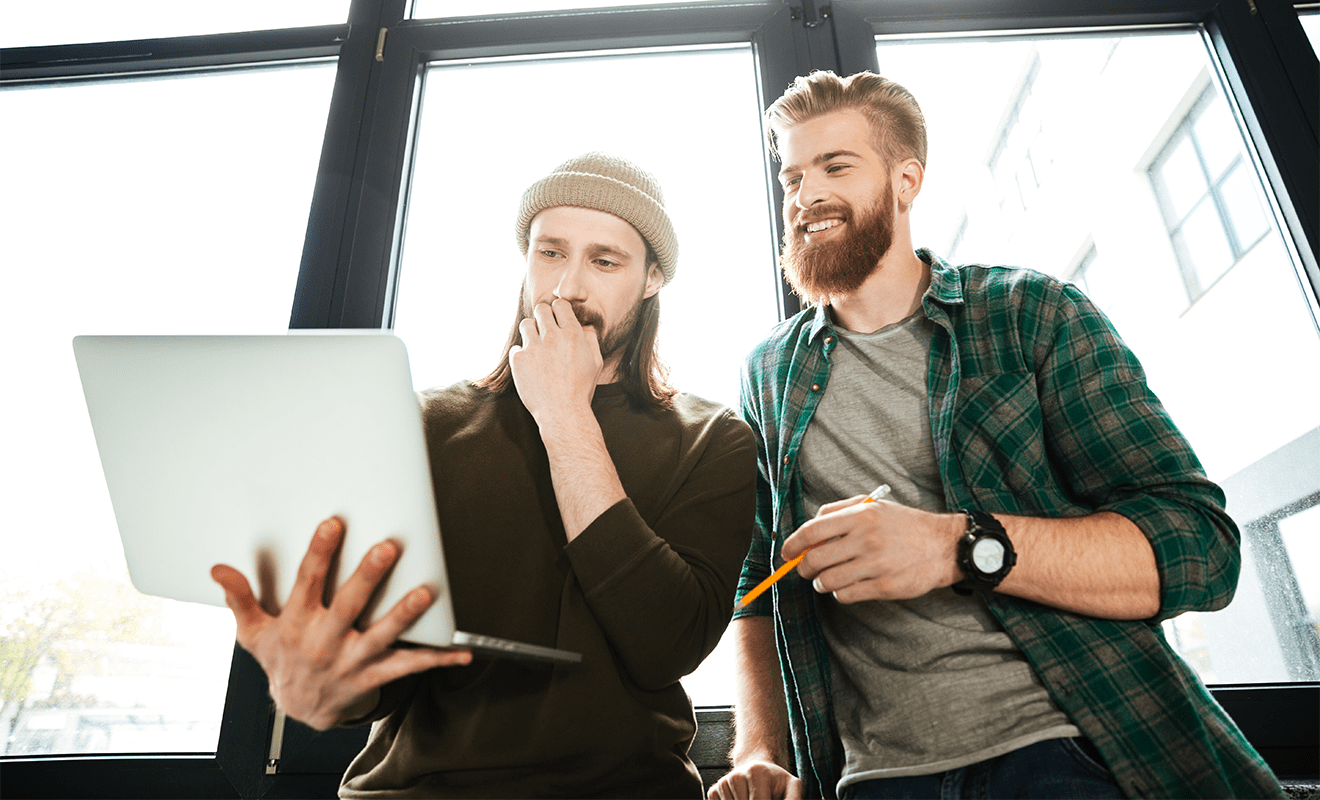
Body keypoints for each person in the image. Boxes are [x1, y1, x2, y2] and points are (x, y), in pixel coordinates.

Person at [710, 71, 1285, 800]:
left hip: (1066, 751)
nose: (805, 195)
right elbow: (758, 588)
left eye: (836, 167)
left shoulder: (1032, 313)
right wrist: (760, 752)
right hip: (876, 780)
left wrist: (954, 546)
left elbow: (1200, 546)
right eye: (792, 175)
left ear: (906, 179)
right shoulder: (767, 373)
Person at [211, 152, 756, 798]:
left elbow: (666, 644)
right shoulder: (425, 423)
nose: (566, 288)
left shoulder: (713, 440)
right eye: (549, 253)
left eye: (604, 261)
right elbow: (382, 669)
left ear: (652, 279)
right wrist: (328, 691)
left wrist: (564, 416)